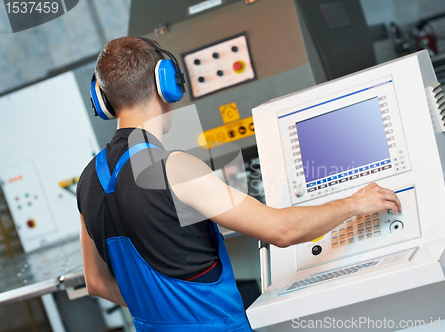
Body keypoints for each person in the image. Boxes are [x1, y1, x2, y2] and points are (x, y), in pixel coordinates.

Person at [77, 36, 402, 332]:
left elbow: (97, 283)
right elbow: (281, 231)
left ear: (103, 100)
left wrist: (166, 313)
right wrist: (355, 203)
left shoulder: (88, 179)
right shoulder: (173, 167)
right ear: (166, 85)